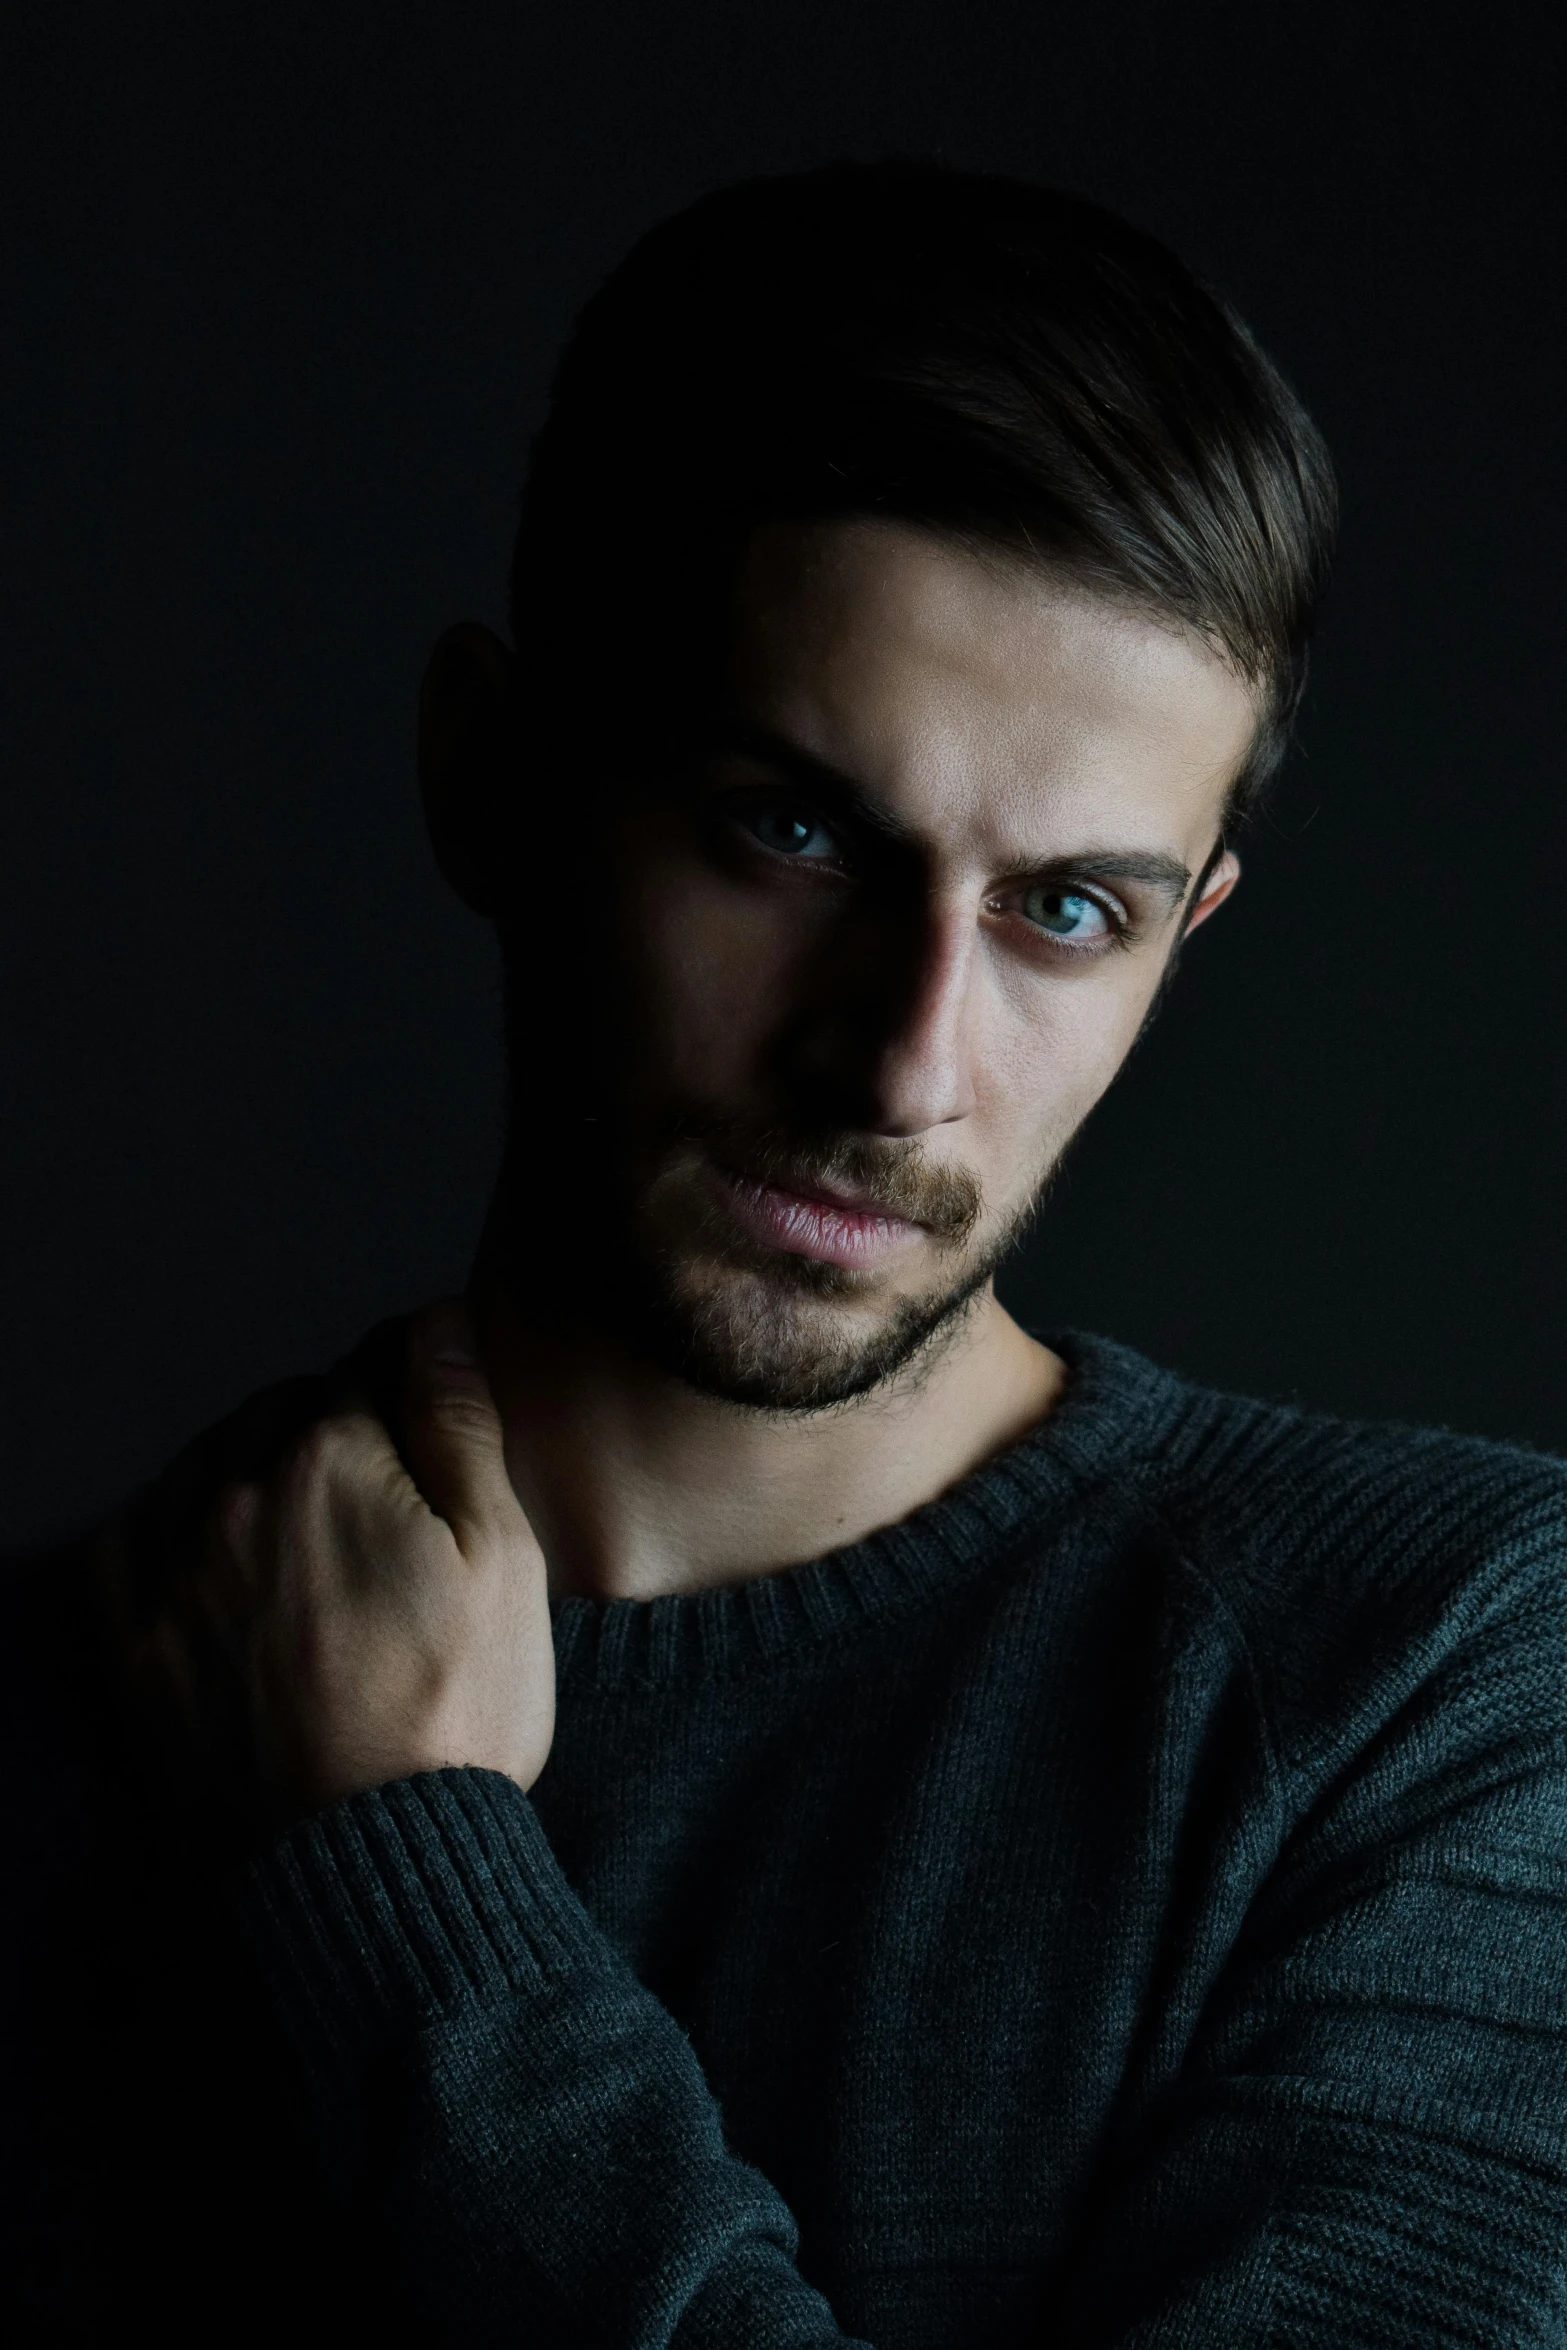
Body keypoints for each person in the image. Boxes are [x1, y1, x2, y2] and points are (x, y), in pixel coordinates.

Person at [6, 162, 1565, 2347]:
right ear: (493, 779)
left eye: (1068, 911)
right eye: (799, 829)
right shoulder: (63, 1720)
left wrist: (405, 1875)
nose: (903, 1063)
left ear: (1183, 938)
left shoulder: (1432, 1673)